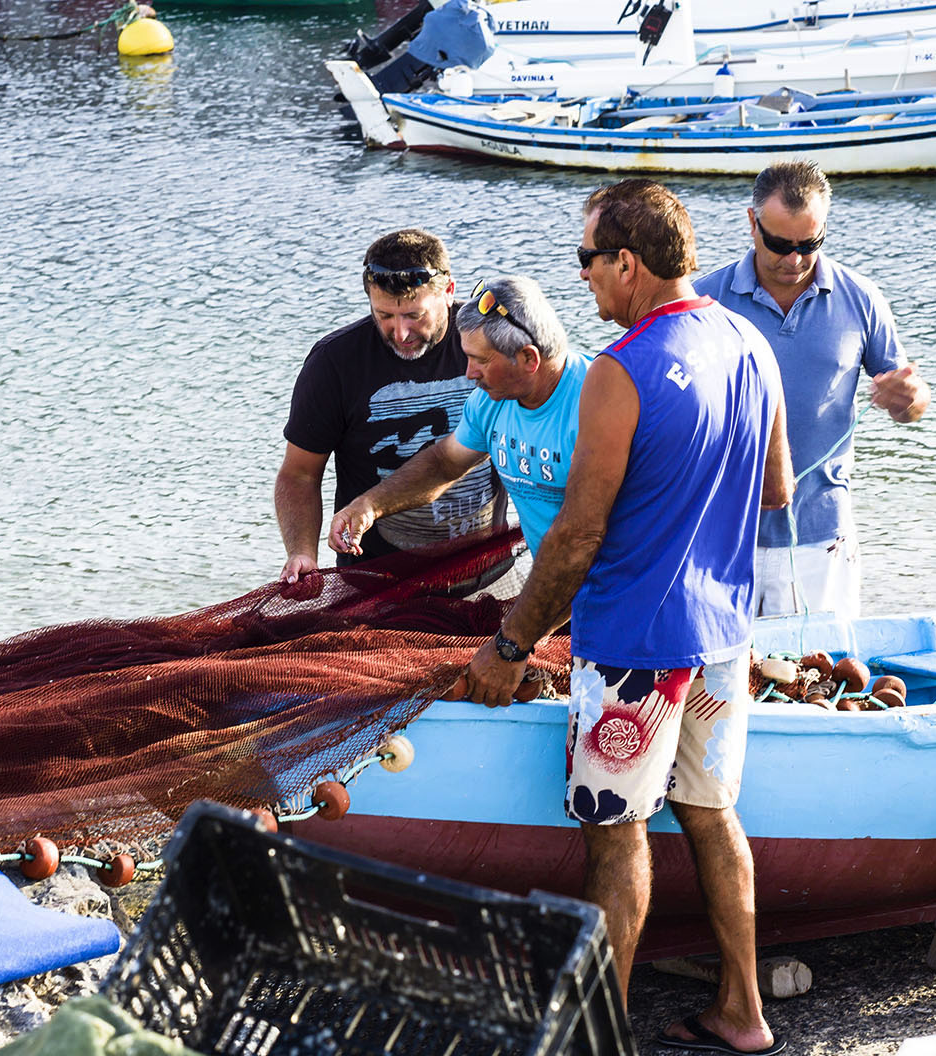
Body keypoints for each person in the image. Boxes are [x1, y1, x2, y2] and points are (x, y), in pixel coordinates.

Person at [465, 180, 793, 1056]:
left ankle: (598, 1036)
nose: (582, 282)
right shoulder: (749, 342)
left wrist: (508, 645)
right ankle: (744, 1013)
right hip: (723, 634)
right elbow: (777, 490)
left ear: (628, 262)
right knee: (714, 818)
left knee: (616, 834)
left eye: (586, 260)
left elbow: (574, 538)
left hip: (635, 645)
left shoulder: (621, 369)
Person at [692, 160, 931, 620]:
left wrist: (910, 399)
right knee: (718, 687)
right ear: (751, 222)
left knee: (820, 679)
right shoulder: (706, 301)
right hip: (719, 539)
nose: (795, 260)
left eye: (810, 244)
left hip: (822, 539)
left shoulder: (861, 298)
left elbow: (912, 400)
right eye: (780, 244)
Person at [275, 230, 505, 584]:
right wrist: (302, 552)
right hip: (376, 581)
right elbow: (300, 474)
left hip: (486, 571)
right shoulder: (334, 362)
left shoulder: (491, 343)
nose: (400, 332)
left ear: (448, 292)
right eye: (384, 315)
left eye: (415, 315)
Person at [328, 275, 590, 562]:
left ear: (529, 358)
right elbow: (443, 464)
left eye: (481, 360)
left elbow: (584, 537)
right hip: (559, 579)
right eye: (467, 357)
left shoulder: (594, 405)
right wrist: (368, 506)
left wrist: (541, 608)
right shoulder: (490, 401)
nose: (470, 373)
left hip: (611, 584)